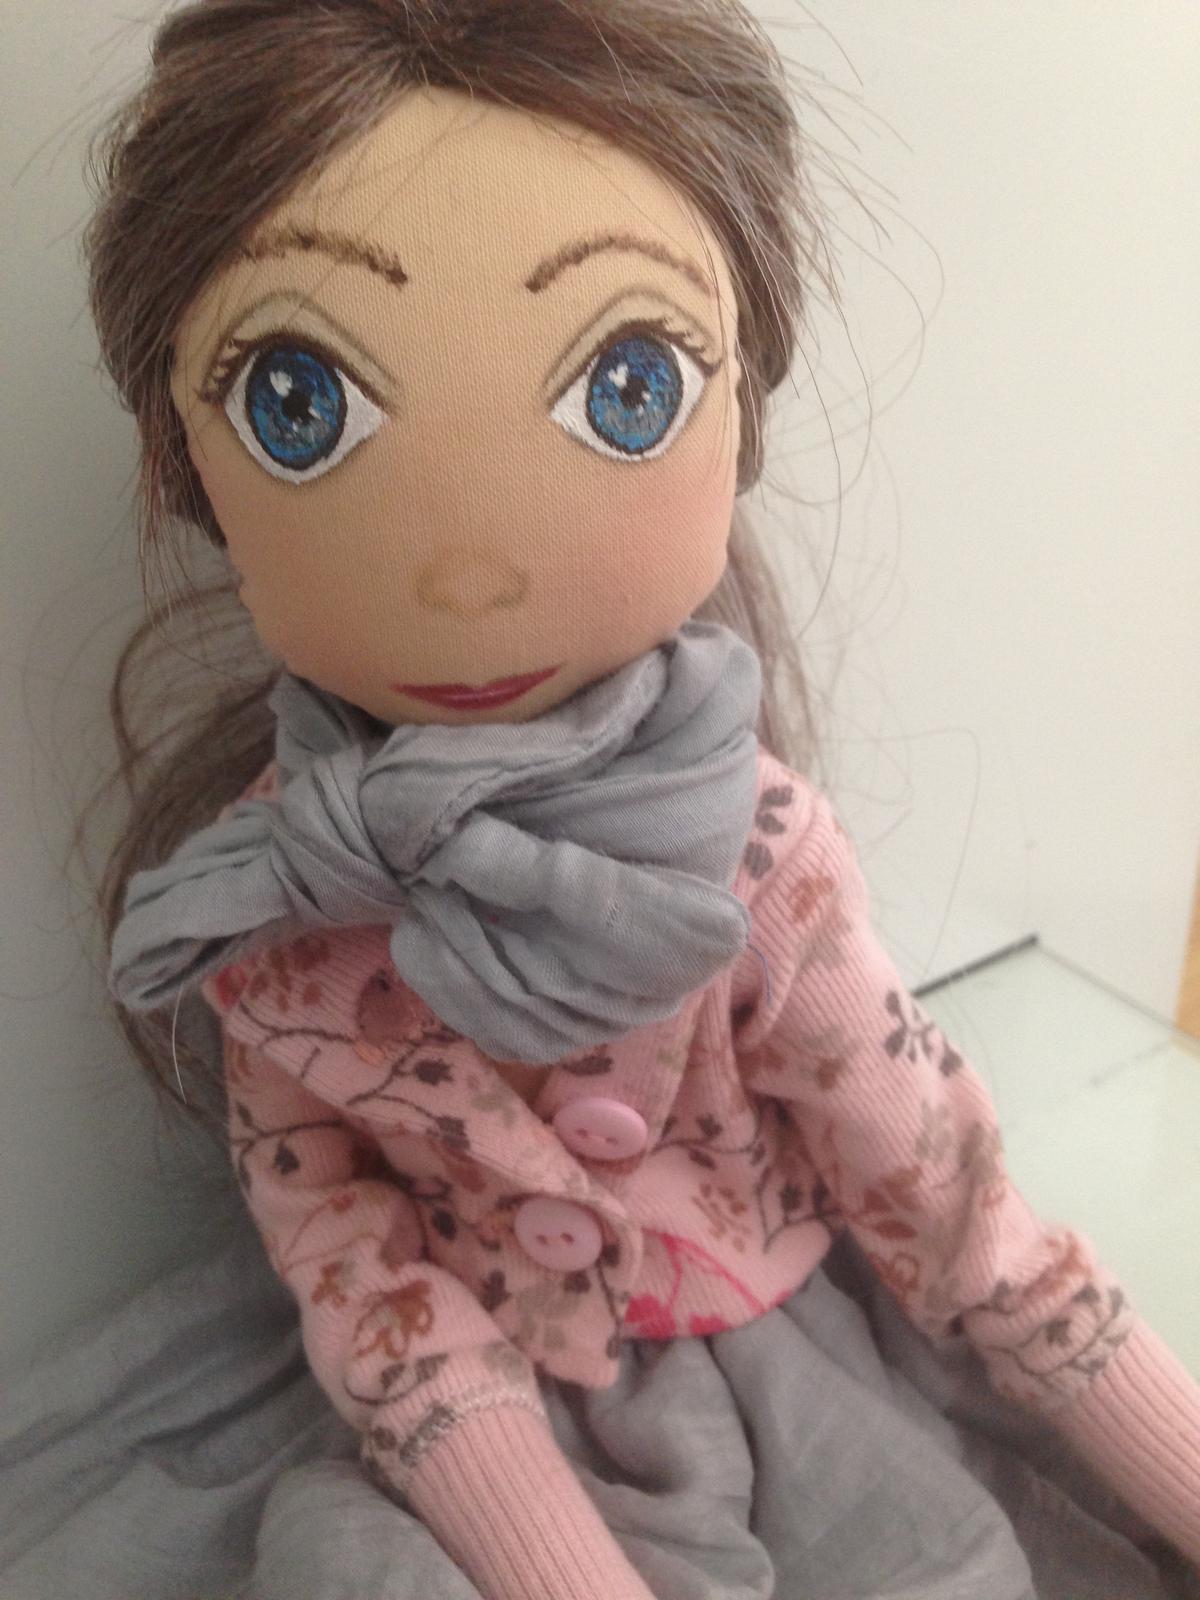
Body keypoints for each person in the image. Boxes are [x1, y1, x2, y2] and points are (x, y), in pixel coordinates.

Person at [91, 2, 1200, 1596]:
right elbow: (344, 1255)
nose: (468, 575)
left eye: (629, 382)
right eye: (297, 402)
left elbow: (950, 1204)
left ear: (739, 414)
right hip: (468, 1416)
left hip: (787, 1341)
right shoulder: (268, 908)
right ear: (180, 462)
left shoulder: (756, 862)